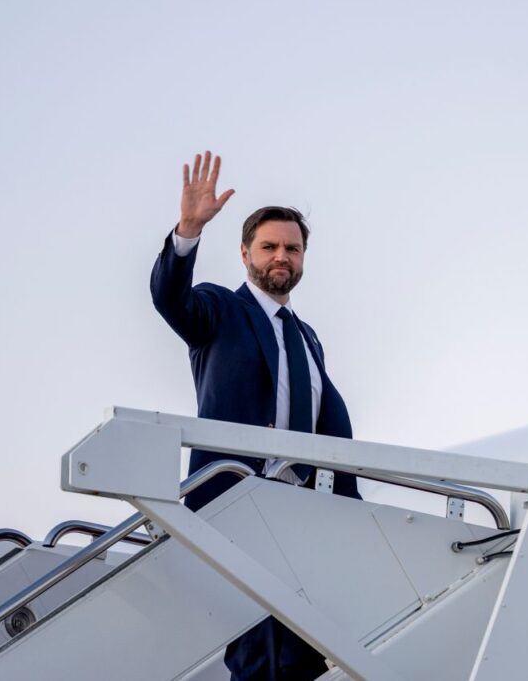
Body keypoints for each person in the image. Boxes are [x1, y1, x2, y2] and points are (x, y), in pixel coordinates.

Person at [150, 150, 360, 680]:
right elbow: (170, 299)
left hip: (302, 516)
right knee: (256, 655)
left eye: (291, 248)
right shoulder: (220, 311)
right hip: (238, 503)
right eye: (268, 247)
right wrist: (187, 232)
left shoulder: (308, 338)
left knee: (303, 656)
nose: (280, 257)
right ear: (245, 253)